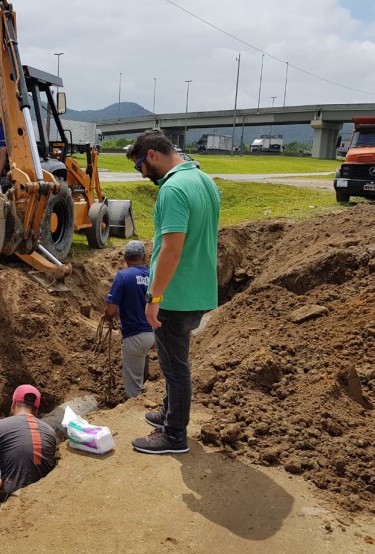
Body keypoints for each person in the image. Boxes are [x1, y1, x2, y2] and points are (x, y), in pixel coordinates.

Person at [127, 130, 220, 455]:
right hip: (198, 290)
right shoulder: (203, 180)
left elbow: (171, 249)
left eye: (140, 165)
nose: (142, 174)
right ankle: (169, 412)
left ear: (152, 155)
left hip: (175, 296)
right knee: (174, 363)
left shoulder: (173, 189)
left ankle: (174, 435)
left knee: (175, 368)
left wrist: (154, 297)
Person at [0, 384, 57, 502]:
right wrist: (4, 482)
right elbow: (34, 470)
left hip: (18, 504)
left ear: (13, 405)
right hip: (43, 499)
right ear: (36, 410)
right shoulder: (50, 432)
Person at [103, 240, 155, 397]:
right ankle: (147, 391)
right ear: (144, 257)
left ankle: (134, 410)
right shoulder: (153, 275)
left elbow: (111, 310)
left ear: (125, 258)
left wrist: (107, 316)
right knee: (143, 364)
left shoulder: (123, 276)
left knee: (133, 387)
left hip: (134, 336)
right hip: (154, 333)